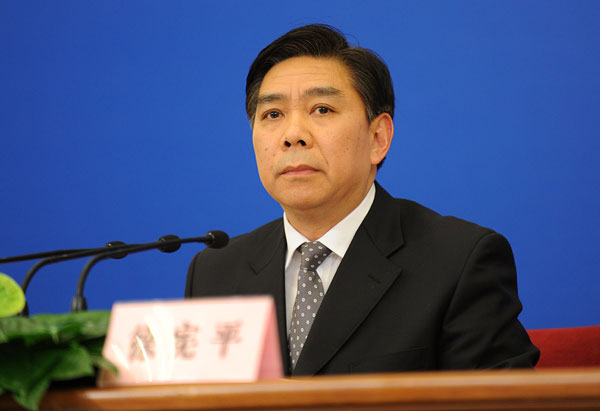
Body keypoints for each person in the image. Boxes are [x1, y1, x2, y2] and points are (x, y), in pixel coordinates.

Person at [185, 24, 539, 376]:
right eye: (273, 114)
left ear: (378, 138)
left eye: (322, 109)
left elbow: (503, 398)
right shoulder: (214, 273)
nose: (293, 135)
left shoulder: (458, 262)